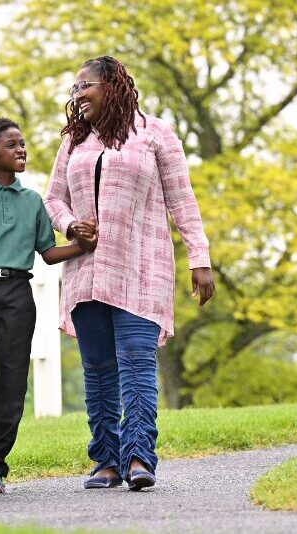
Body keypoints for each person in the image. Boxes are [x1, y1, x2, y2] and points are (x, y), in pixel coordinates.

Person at [44, 56, 215, 491]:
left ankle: (139, 456)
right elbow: (52, 201)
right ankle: (105, 459)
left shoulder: (155, 133)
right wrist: (70, 225)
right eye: (73, 90)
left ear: (113, 85)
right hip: (86, 273)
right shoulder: (74, 143)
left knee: (138, 361)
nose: (77, 96)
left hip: (141, 268)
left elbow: (182, 199)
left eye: (85, 86)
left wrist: (200, 257)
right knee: (98, 368)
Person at [0, 118, 89, 494]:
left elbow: (49, 252)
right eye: (12, 145)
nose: (21, 149)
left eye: (22, 143)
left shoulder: (32, 202)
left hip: (19, 295)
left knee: (11, 379)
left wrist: (82, 247)